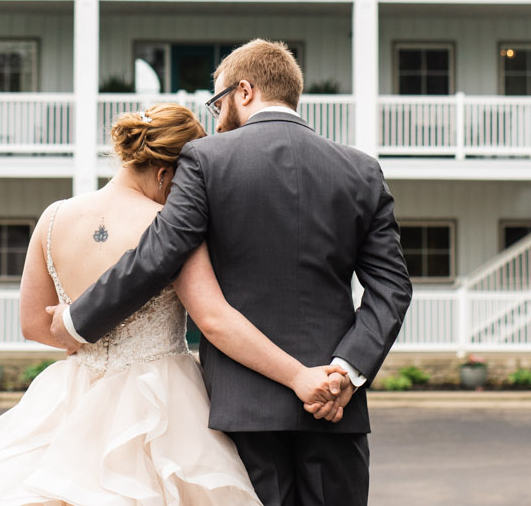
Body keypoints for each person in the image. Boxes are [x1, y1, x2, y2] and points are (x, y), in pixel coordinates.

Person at [49, 40, 412, 506]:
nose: (216, 120)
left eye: (217, 103)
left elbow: (160, 252)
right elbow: (392, 288)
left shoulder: (205, 161)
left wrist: (78, 320)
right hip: (335, 406)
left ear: (244, 92)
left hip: (245, 406)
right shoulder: (362, 171)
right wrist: (345, 370)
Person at [0, 100, 344, 506]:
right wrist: (297, 375)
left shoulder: (54, 217)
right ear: (166, 172)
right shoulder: (169, 228)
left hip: (73, 395)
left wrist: (90, 339)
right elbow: (214, 319)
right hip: (161, 399)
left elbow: (33, 324)